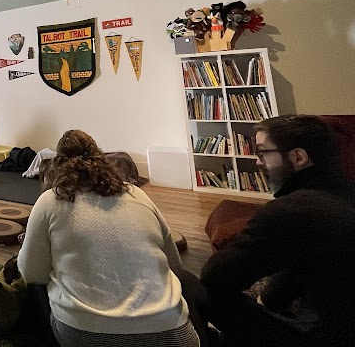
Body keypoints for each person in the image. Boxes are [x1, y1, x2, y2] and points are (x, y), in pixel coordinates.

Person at [18, 130, 198, 347]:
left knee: (35, 288)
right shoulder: (138, 194)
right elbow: (174, 264)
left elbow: (31, 273)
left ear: (58, 163)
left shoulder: (49, 200)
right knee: (188, 280)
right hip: (172, 335)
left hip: (85, 335)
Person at [201, 115, 355, 346]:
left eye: (263, 153)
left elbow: (216, 275)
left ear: (298, 157)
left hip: (329, 337)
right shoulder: (345, 192)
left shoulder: (292, 210)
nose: (258, 162)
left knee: (198, 289)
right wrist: (269, 298)